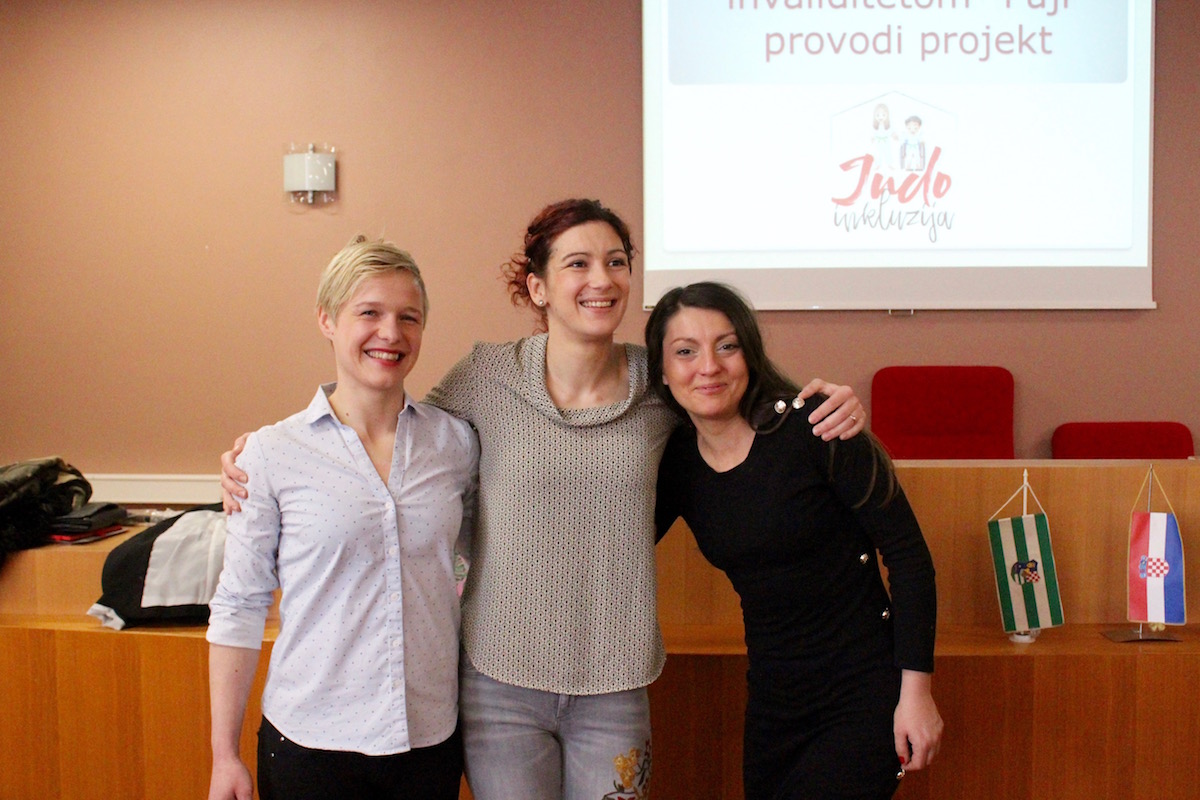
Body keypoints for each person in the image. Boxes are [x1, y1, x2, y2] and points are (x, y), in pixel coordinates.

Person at [221, 199, 866, 799]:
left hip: (616, 682)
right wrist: (268, 451)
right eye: (578, 263)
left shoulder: (659, 382)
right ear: (537, 287)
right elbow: (394, 427)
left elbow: (738, 402)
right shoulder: (486, 376)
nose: (601, 279)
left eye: (616, 262)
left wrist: (823, 403)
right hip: (498, 682)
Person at [206, 237, 479, 800]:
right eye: (369, 313)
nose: (391, 333)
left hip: (428, 740)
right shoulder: (272, 453)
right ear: (327, 320)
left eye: (409, 317)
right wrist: (224, 755)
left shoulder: (455, 444)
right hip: (310, 744)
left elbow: (481, 560)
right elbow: (239, 605)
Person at [647, 282, 942, 800]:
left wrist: (916, 692)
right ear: (663, 373)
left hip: (863, 690)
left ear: (750, 354)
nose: (709, 367)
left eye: (727, 345)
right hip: (774, 700)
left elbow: (909, 557)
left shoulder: (816, 426)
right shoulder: (677, 463)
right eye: (685, 352)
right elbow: (615, 545)